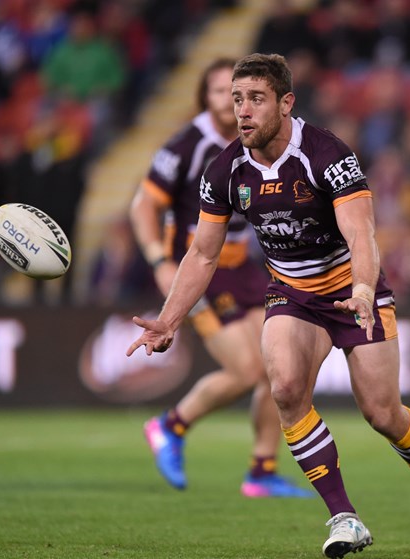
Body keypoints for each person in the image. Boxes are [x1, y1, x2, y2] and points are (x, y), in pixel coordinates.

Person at [127, 53, 410, 558]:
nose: (243, 110)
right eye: (237, 99)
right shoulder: (224, 168)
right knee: (284, 389)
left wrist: (364, 290)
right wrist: (169, 319)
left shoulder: (326, 153)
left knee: (384, 414)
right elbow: (202, 254)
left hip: (351, 290)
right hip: (292, 293)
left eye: (256, 98)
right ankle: (344, 518)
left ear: (285, 103)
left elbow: (361, 234)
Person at [130, 57, 313, 498]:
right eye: (223, 93)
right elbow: (143, 205)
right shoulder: (189, 144)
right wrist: (159, 261)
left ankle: (262, 470)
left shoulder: (257, 140)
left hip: (243, 268)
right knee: (246, 369)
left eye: (244, 95)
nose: (235, 104)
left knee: (279, 365)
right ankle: (170, 426)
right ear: (206, 97)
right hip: (198, 271)